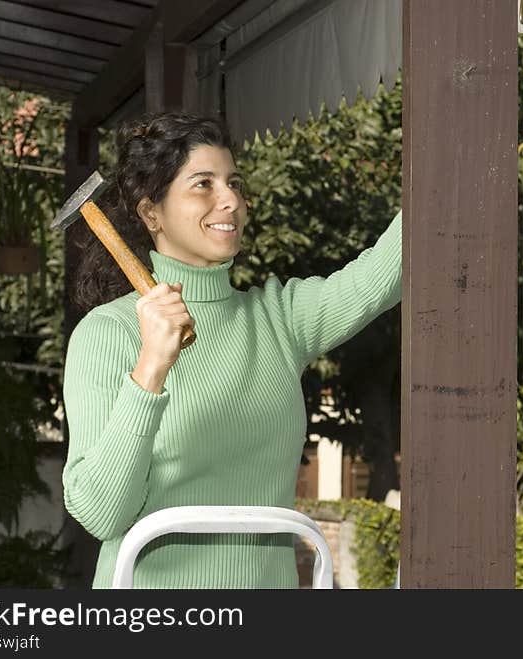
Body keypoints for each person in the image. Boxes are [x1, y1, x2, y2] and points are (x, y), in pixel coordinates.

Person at [61, 112, 401, 588]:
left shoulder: (279, 320)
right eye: (203, 184)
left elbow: (388, 270)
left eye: (234, 183)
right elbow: (100, 514)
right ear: (151, 212)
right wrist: (151, 368)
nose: (232, 201)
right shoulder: (107, 334)